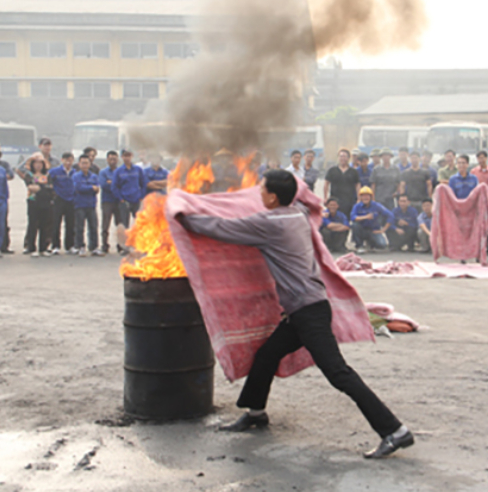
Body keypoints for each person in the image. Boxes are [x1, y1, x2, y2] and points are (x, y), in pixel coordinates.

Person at [176, 170, 413, 458]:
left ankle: (394, 431)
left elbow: (220, 228)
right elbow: (301, 197)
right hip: (306, 309)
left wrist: (182, 216)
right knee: (266, 355)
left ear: (274, 197)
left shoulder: (269, 222)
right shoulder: (297, 214)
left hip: (308, 312)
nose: (258, 195)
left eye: (261, 190)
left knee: (339, 373)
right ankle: (256, 414)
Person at [22, 153, 54, 257]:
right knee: (33, 225)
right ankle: (31, 247)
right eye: (36, 163)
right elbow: (31, 186)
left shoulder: (47, 175)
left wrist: (40, 188)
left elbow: (50, 188)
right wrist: (43, 188)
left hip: (46, 202)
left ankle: (43, 248)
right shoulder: (29, 175)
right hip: (33, 202)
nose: (38, 165)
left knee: (45, 225)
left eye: (40, 163)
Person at [72, 155, 102, 257]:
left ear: (90, 164)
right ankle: (80, 246)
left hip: (91, 205)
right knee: (80, 227)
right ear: (79, 164)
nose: (85, 165)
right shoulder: (76, 176)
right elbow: (78, 188)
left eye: (86, 163)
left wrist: (90, 188)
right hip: (80, 204)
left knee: (93, 226)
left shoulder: (94, 176)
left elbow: (97, 188)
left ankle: (94, 247)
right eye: (83, 163)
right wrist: (91, 188)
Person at [48, 152, 77, 255]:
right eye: (66, 160)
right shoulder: (55, 171)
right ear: (62, 160)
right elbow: (46, 180)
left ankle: (70, 246)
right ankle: (55, 245)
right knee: (56, 223)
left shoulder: (75, 172)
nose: (68, 162)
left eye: (70, 160)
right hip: (59, 200)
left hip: (71, 200)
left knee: (71, 224)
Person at [350, 187, 393, 253]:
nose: (365, 198)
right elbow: (353, 217)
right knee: (354, 225)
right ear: (360, 197)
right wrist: (365, 217)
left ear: (371, 197)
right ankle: (359, 246)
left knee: (382, 245)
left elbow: (390, 215)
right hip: (361, 230)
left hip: (373, 230)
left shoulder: (377, 206)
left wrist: (383, 229)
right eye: (363, 196)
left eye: (367, 196)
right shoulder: (357, 206)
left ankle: (370, 244)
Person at [113, 149, 147, 232]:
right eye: (125, 156)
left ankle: (138, 242)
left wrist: (141, 196)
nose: (127, 158)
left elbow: (143, 184)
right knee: (125, 224)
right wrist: (121, 199)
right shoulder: (118, 171)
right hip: (124, 201)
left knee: (139, 222)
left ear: (132, 156)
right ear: (122, 157)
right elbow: (114, 187)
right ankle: (125, 242)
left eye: (129, 155)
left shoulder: (138, 170)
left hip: (136, 200)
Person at [100, 151, 125, 254]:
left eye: (114, 159)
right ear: (107, 160)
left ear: (118, 160)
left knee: (120, 224)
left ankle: (120, 245)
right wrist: (115, 185)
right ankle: (104, 245)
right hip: (107, 201)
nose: (113, 161)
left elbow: (124, 185)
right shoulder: (103, 172)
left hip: (119, 201)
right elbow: (104, 185)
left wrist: (112, 183)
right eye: (110, 159)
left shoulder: (121, 171)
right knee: (105, 224)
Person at [325, 149, 360, 218]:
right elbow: (326, 184)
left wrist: (359, 198)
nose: (343, 158)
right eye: (341, 156)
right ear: (338, 157)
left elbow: (358, 185)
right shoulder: (332, 170)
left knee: (348, 219)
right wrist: (325, 198)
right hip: (335, 200)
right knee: (335, 218)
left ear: (348, 158)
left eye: (345, 156)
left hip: (349, 200)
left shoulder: (353, 172)